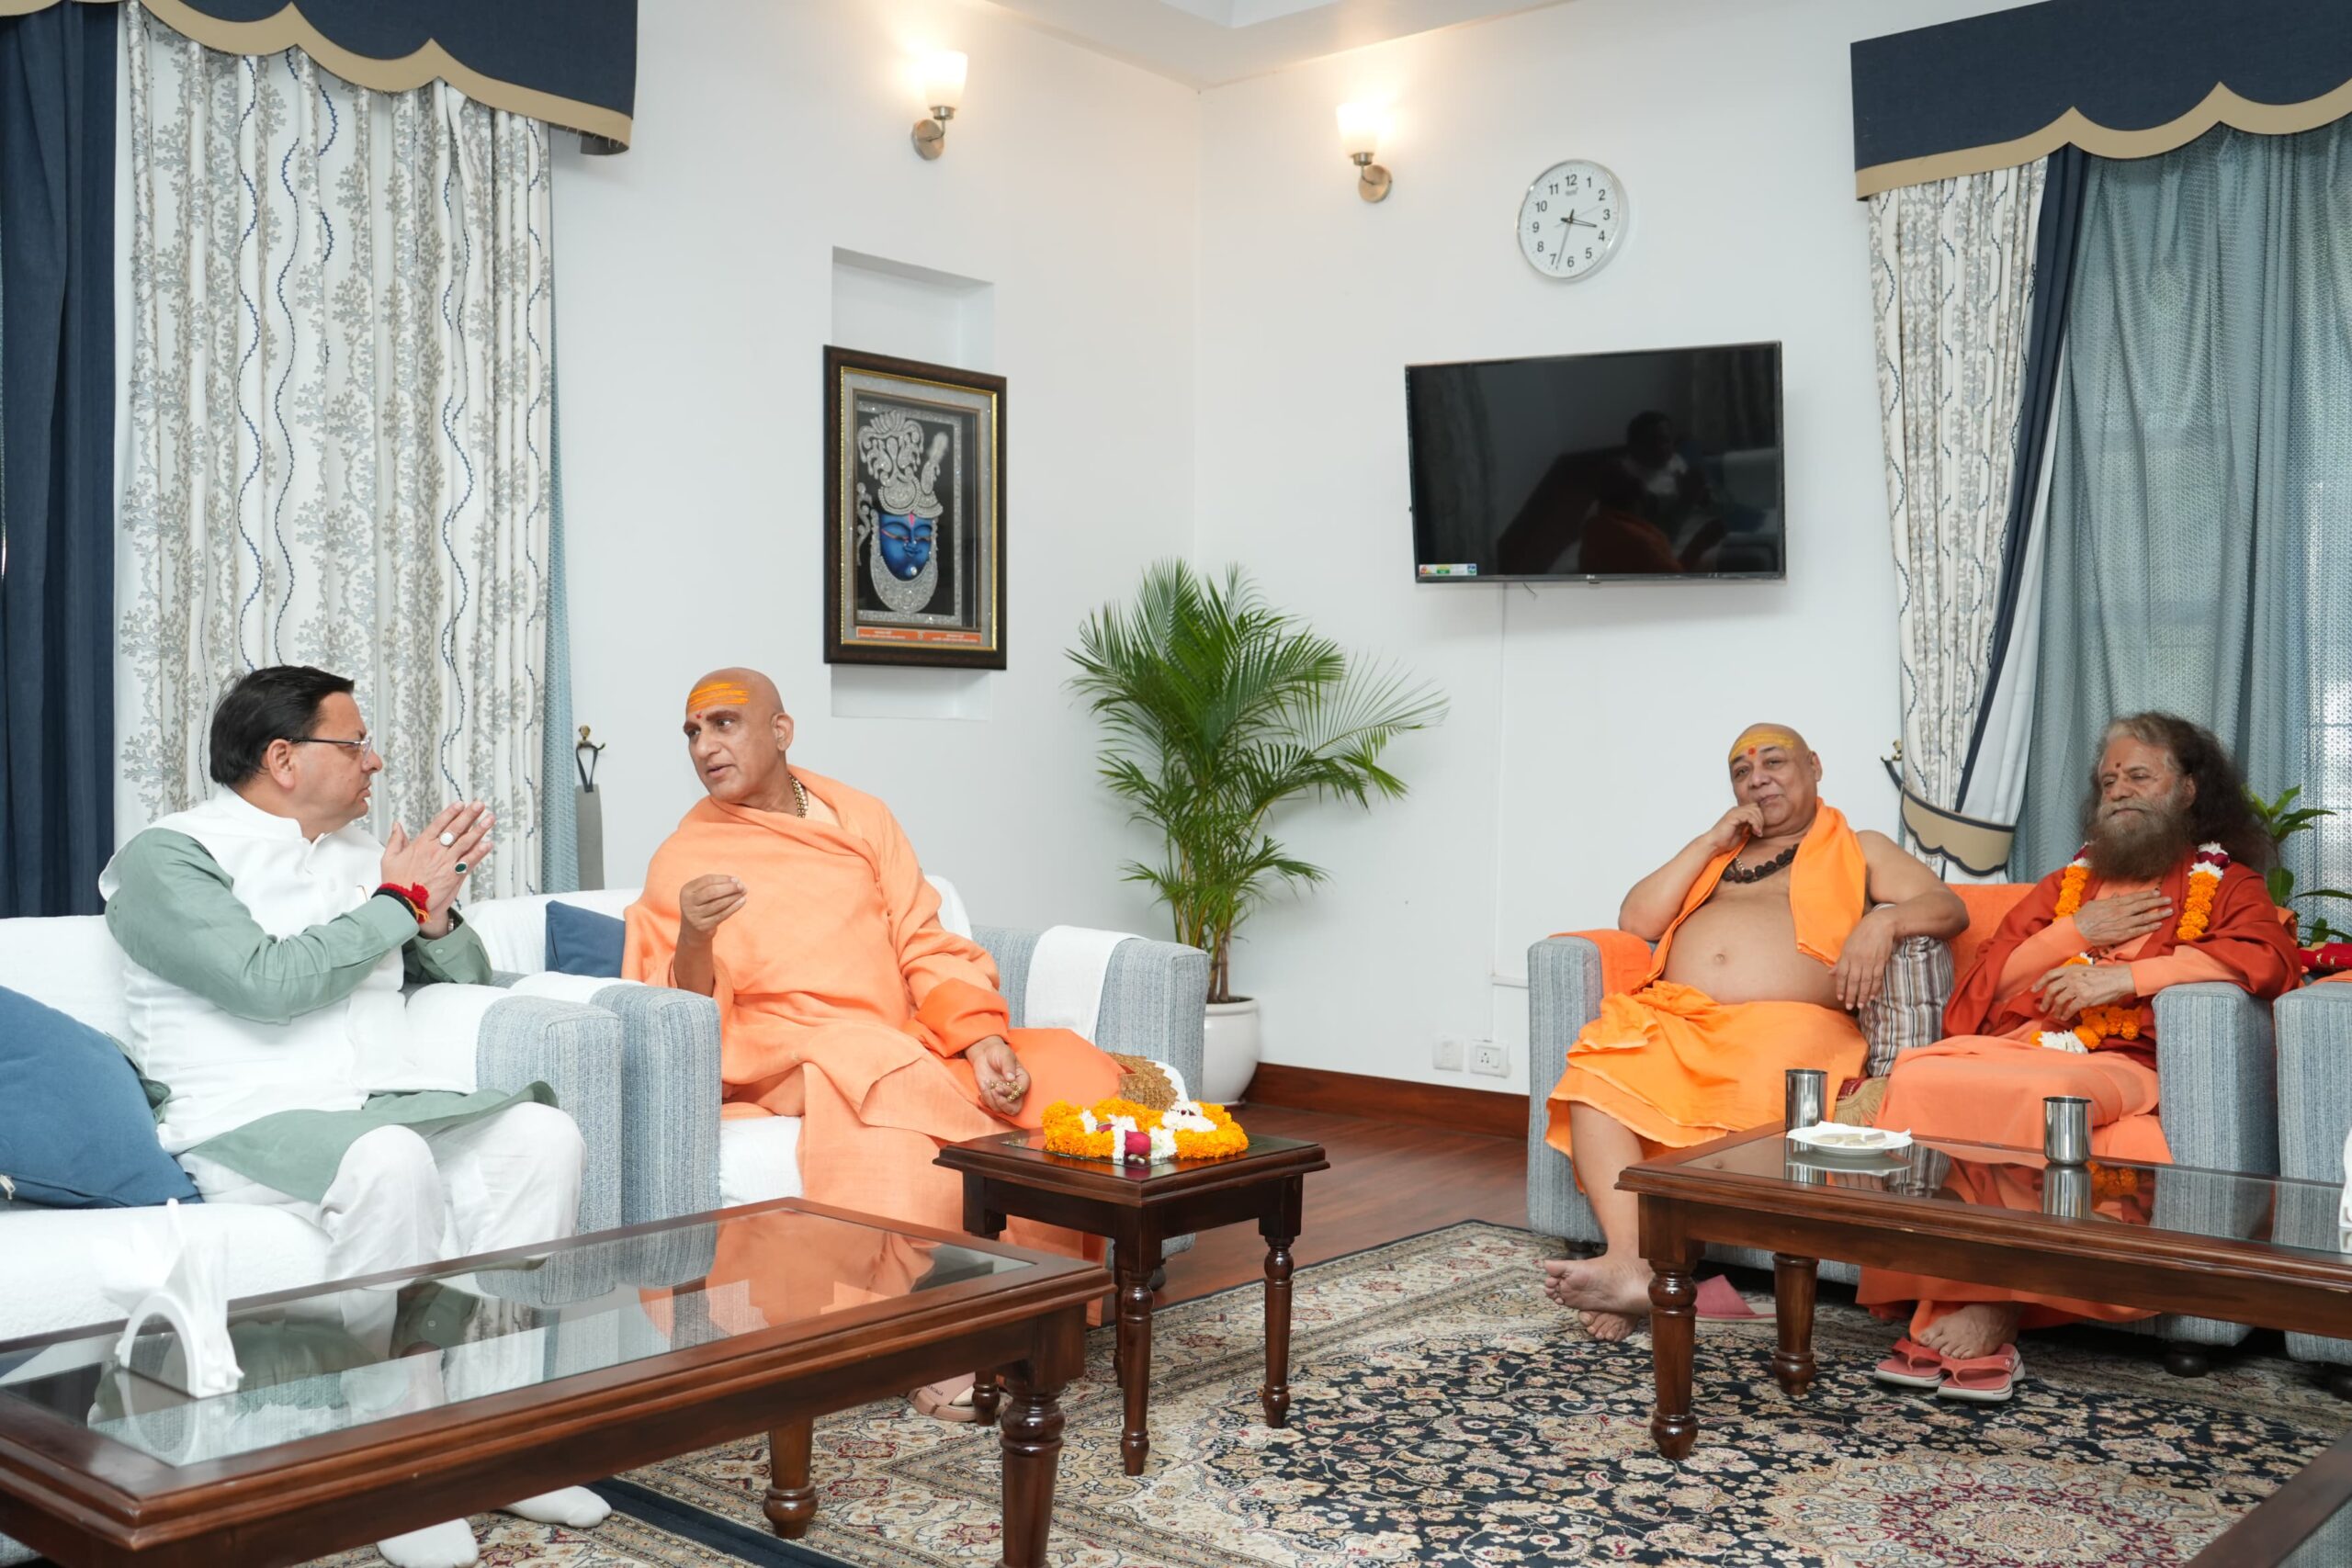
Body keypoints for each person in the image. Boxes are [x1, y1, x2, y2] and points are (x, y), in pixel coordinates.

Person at [101, 665, 606, 1568]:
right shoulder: (167, 856)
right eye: (356, 743)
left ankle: (498, 1436)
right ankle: (385, 1464)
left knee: (543, 1136)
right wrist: (396, 902)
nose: (374, 762)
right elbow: (267, 985)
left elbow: (464, 979)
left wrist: (435, 916)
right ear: (283, 757)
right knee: (390, 1159)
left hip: (378, 1102)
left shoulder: (364, 855)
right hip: (244, 1115)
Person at [622, 668, 1124, 1417]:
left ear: (781, 731)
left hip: (901, 1041)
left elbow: (922, 938)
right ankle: (928, 1349)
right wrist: (694, 936)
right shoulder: (683, 855)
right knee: (911, 1158)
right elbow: (676, 1015)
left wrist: (979, 1037)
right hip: (783, 1052)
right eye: (693, 732)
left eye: (724, 723)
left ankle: (1036, 1310)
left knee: (1077, 1076)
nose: (704, 746)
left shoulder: (859, 816)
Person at [1859, 713, 2300, 1400]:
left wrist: (2127, 978)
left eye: (2140, 775)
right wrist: (2073, 931)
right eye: (2108, 780)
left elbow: (2267, 958)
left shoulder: (2223, 882)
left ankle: (1988, 1306)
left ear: (2188, 789)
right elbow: (1984, 987)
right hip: (2026, 1047)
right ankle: (1982, 1299)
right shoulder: (2068, 884)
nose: (2119, 790)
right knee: (1923, 1073)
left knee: (2049, 1095)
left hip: (2123, 1063)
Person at [1541, 723, 1967, 1340]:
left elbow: (1948, 907)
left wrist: (1886, 921)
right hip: (1680, 1019)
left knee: (1736, 1102)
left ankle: (1662, 1271)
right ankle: (1633, 1265)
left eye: (1774, 761)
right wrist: (1707, 841)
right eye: (1742, 770)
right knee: (1593, 1077)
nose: (1757, 777)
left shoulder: (1861, 847)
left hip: (1790, 1027)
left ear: (1814, 766)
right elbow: (1637, 919)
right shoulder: (1719, 855)